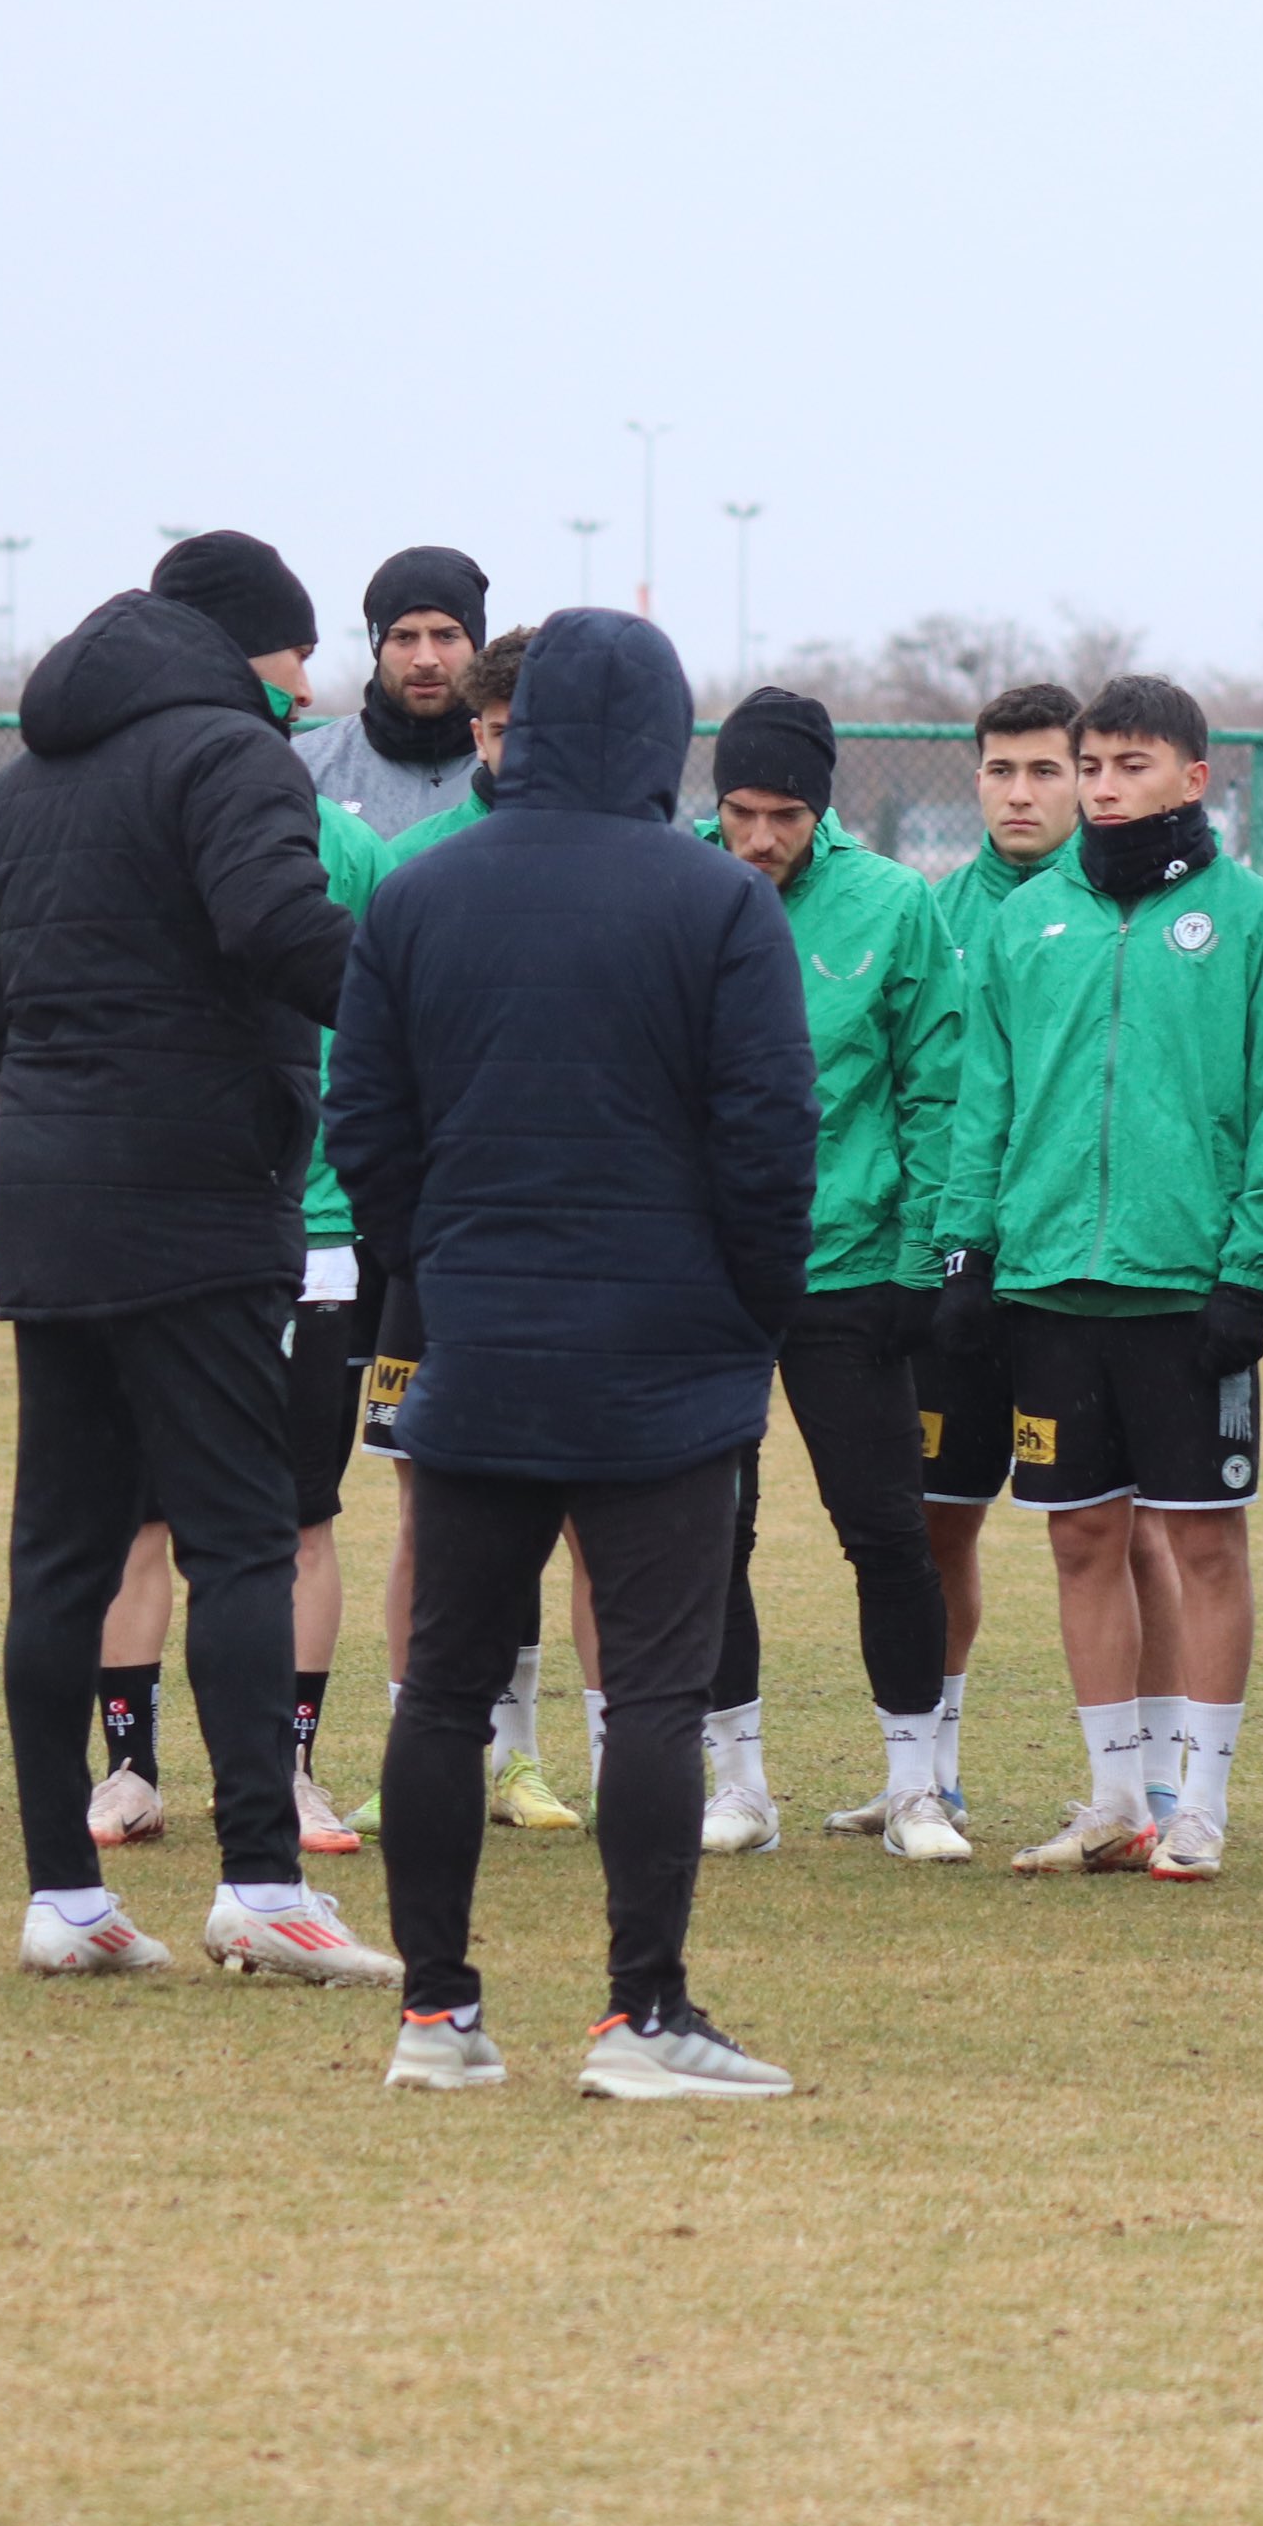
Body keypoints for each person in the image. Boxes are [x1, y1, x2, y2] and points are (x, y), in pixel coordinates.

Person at [327, 606, 820, 2100]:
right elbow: (770, 1140)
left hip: (478, 1342)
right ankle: (641, 2015)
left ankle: (435, 2012)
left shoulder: (418, 897)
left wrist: (444, 1268)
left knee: (441, 1688)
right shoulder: (720, 903)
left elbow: (365, 1129)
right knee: (653, 1695)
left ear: (518, 724)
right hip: (666, 1361)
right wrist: (749, 1306)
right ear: (664, 739)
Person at [0, 529, 390, 1985]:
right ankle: (262, 1879)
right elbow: (277, 924)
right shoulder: (234, 754)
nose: (309, 679)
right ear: (247, 643)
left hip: (54, 1201)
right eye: (300, 647)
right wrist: (408, 1010)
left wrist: (80, 1096)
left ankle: (61, 1897)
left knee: (61, 1550)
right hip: (200, 1206)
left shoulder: (21, 785)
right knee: (243, 1537)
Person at [932, 675, 1263, 1881]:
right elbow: (983, 1100)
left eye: (1131, 766)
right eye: (1091, 766)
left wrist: (1250, 1270)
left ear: (1194, 779)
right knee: (1078, 1543)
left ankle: (1200, 1804)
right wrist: (968, 1249)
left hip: (1185, 1289)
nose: (1104, 788)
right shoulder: (1026, 919)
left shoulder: (1256, 923)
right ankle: (1114, 1797)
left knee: (1205, 1545)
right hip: (1050, 1284)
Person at [80, 768, 401, 1862]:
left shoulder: (352, 854)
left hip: (310, 1244)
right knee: (139, 1522)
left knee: (301, 1521)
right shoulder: (145, 834)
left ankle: (293, 1771)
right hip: (171, 1237)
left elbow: (389, 1032)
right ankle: (127, 1769)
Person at [694, 687, 964, 1860]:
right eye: (742, 813)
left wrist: (921, 1259)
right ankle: (737, 1787)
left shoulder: (895, 906)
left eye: (785, 814)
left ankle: (915, 1789)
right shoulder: (677, 887)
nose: (760, 839)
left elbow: (935, 1092)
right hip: (704, 1274)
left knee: (886, 1530)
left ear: (825, 806)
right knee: (712, 1531)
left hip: (850, 1267)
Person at [337, 628, 587, 1840]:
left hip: (573, 1252)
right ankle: (423, 1749)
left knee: (579, 1509)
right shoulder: (410, 870)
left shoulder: (625, 865)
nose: (507, 749)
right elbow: (369, 1068)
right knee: (427, 1512)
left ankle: (528, 1759)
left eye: (528, 729)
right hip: (436, 1254)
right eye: (493, 730)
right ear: (476, 733)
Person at [883, 681, 1096, 1834]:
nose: (1021, 793)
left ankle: (1146, 1777)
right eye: (1001, 772)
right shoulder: (930, 912)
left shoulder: (1109, 910)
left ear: (1085, 777)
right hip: (946, 1271)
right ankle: (929, 1766)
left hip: (1075, 1265)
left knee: (1117, 1525)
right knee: (933, 1519)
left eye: (1046, 771)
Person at [297, 547, 489, 841]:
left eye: (446, 636)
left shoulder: (521, 767)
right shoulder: (307, 768)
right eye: (404, 637)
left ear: (476, 643)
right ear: (377, 646)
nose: (425, 659)